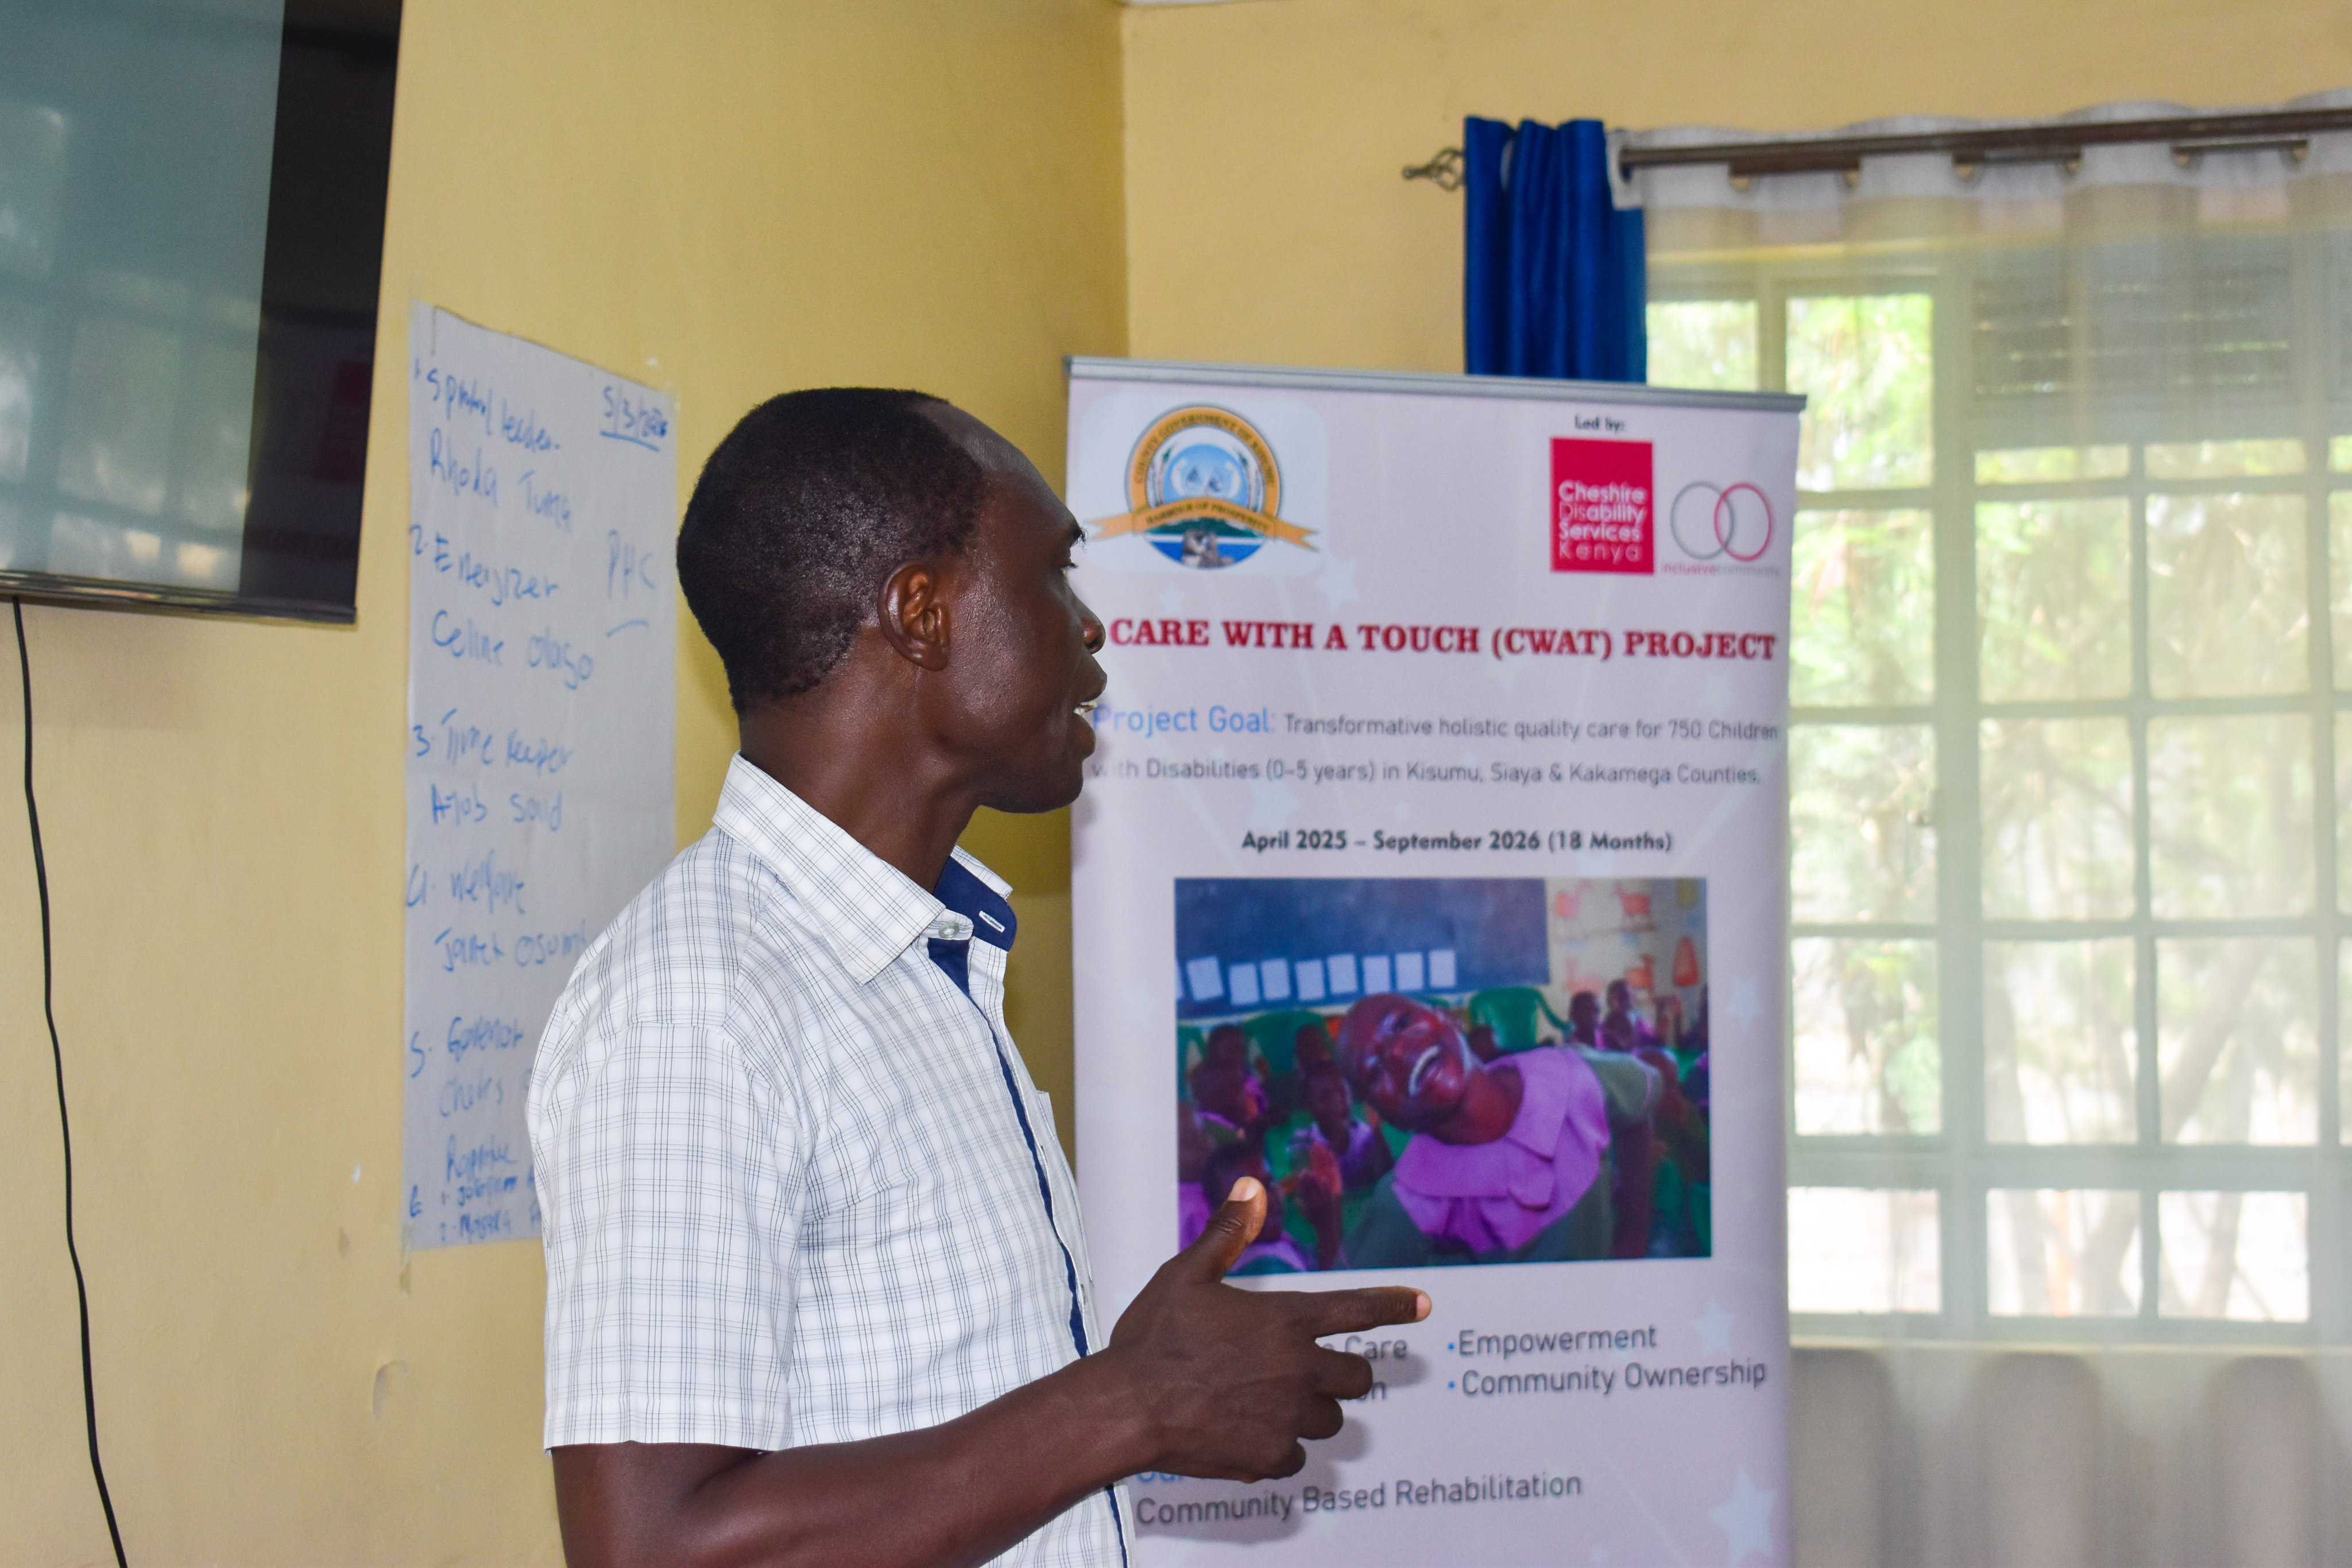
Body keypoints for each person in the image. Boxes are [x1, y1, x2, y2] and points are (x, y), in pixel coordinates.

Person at [528, 389, 1426, 1568]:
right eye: (1054, 573)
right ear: (921, 614)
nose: (1090, 629)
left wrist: (1137, 1393)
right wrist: (1130, 1402)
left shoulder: (921, 962)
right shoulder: (697, 1004)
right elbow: (656, 1550)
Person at [1333, 993, 1654, 1268]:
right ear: (1388, 1117)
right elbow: (1346, 1298)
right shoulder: (1409, 1201)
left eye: (1401, 1024)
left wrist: (1634, 1230)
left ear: (1448, 1019)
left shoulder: (1573, 1076)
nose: (1397, 1053)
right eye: (1375, 1072)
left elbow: (1642, 1098)